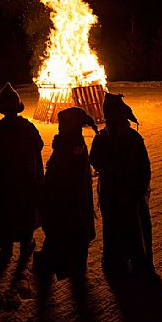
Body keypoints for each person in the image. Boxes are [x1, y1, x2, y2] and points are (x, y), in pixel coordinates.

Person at [90, 92, 158, 280]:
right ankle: (122, 262)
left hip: (128, 193)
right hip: (117, 193)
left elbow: (144, 166)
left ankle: (132, 263)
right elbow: (95, 160)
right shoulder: (107, 138)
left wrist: (140, 186)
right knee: (119, 228)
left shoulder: (130, 138)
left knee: (130, 228)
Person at [0, 82, 44, 263]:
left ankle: (6, 245)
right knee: (24, 210)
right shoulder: (27, 127)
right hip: (25, 179)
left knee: (5, 212)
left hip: (4, 181)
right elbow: (38, 145)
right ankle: (25, 242)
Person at [34, 107, 97, 280]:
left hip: (66, 199)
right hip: (70, 198)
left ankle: (61, 262)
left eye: (63, 125)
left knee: (63, 229)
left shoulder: (71, 146)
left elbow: (64, 176)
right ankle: (70, 259)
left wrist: (47, 192)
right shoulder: (72, 142)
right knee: (66, 229)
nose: (60, 128)